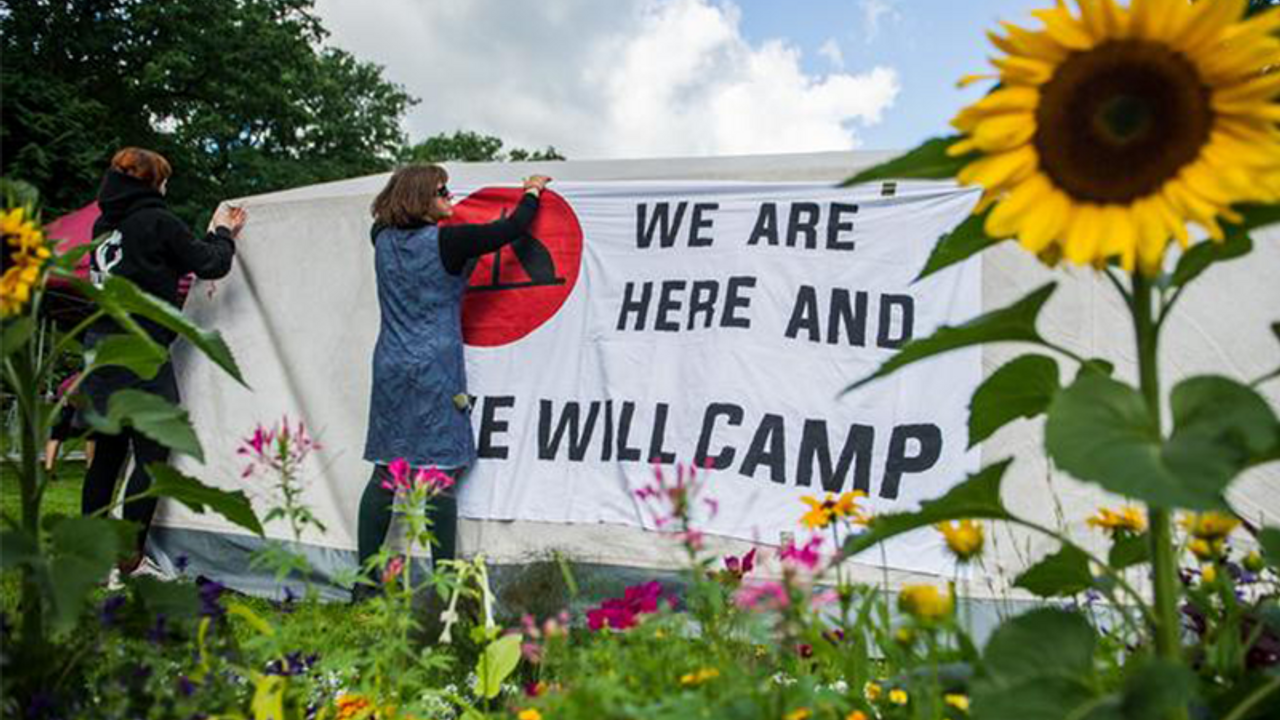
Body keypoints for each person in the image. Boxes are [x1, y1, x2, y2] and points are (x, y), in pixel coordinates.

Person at [357, 165, 551, 596]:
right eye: (441, 191)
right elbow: (513, 228)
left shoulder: (381, 240)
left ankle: (363, 588)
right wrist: (532, 192)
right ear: (420, 197)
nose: (450, 196)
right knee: (439, 472)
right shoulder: (451, 241)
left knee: (386, 469)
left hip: (389, 364)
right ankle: (444, 589)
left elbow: (381, 222)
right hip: (436, 368)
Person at [80, 147, 245, 574]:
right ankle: (128, 556)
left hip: (101, 349)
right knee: (155, 452)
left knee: (108, 458)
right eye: (164, 179)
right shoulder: (157, 221)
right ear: (152, 183)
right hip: (140, 352)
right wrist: (224, 233)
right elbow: (211, 264)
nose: (167, 186)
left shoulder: (104, 226)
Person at [44, 372, 94, 477]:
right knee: (91, 438)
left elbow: (60, 390)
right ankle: (90, 467)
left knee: (55, 437)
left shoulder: (74, 377)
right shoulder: (92, 376)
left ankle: (48, 468)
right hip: (79, 408)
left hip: (66, 408)